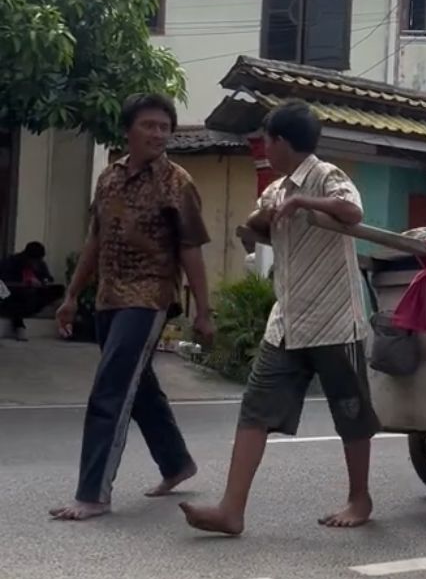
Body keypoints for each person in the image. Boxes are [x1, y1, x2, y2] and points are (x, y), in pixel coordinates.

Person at [180, 99, 379, 537]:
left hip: (333, 318)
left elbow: (353, 212)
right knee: (254, 410)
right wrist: (263, 217)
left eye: (267, 140)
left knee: (350, 411)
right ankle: (231, 510)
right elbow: (258, 225)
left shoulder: (327, 175)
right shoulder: (276, 188)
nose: (264, 148)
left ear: (283, 141)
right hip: (287, 320)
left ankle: (360, 497)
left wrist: (304, 201)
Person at [49, 93, 214, 522]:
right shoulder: (108, 179)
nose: (159, 133)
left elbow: (191, 248)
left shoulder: (177, 182)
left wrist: (204, 311)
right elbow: (94, 240)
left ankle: (93, 494)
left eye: (165, 127)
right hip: (109, 297)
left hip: (149, 296)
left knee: (110, 389)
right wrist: (71, 297)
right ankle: (177, 462)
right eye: (150, 125)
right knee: (139, 388)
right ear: (129, 130)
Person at [0, 242, 64, 340]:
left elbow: (48, 278)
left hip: (32, 295)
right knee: (15, 297)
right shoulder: (12, 262)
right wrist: (24, 282)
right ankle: (19, 325)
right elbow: (4, 281)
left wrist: (42, 281)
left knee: (58, 289)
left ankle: (22, 316)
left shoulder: (40, 264)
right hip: (14, 294)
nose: (35, 263)